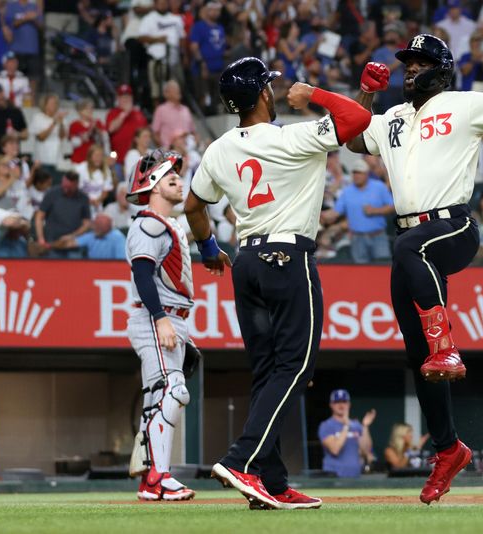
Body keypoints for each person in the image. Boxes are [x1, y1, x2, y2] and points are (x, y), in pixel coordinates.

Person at [345, 34, 483, 504]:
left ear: (441, 71)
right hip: (410, 235)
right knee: (417, 357)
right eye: (407, 62)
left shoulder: (465, 104)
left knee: (412, 260)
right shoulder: (394, 117)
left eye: (419, 63)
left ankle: (446, 347)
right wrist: (365, 92)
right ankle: (448, 448)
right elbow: (354, 138)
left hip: (452, 226)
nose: (409, 69)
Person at [184, 57, 371, 510]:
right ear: (264, 95)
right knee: (296, 367)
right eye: (269, 86)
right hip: (288, 257)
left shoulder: (219, 147)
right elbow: (357, 120)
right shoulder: (293, 137)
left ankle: (271, 483)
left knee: (269, 372)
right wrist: (318, 96)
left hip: (247, 262)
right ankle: (242, 459)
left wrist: (209, 250)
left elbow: (193, 206)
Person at [122, 151, 196, 501]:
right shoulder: (148, 222)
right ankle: (158, 476)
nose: (178, 181)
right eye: (170, 178)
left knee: (159, 396)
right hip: (158, 315)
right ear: (151, 184)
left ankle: (151, 478)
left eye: (178, 177)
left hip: (171, 317)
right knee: (173, 391)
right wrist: (160, 318)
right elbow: (142, 274)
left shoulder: (167, 224)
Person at [320, 159, 395, 263]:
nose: (356, 176)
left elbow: (392, 206)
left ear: (366, 174)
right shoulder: (347, 192)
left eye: (359, 173)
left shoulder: (379, 187)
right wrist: (320, 215)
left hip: (378, 236)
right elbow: (335, 213)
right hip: (357, 238)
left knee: (383, 268)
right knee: (360, 272)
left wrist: (376, 210)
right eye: (354, 173)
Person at [318, 389, 376, 478]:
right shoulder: (326, 425)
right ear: (331, 405)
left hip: (355, 475)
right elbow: (335, 449)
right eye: (337, 402)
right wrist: (346, 426)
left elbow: (366, 450)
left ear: (349, 404)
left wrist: (365, 426)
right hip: (333, 475)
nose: (341, 405)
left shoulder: (356, 425)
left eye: (344, 402)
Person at [33, 172, 92, 258]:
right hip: (52, 242)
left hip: (73, 243)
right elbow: (39, 216)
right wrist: (41, 238)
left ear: (76, 184)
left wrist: (73, 235)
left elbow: (87, 223)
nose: (66, 189)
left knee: (74, 268)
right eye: (64, 186)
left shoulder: (83, 198)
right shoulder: (52, 194)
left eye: (69, 188)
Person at [139, 0, 185, 104]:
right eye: (160, 2)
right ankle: (159, 113)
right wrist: (157, 39)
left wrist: (184, 56)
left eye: (165, 2)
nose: (163, 5)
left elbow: (182, 38)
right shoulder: (149, 18)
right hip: (157, 59)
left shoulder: (176, 18)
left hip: (174, 59)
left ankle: (174, 111)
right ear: (155, 4)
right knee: (157, 91)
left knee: (178, 86)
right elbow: (141, 38)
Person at [189, 2, 226, 115]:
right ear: (207, 10)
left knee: (217, 96)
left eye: (217, 10)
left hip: (218, 67)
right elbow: (194, 47)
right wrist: (202, 63)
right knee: (203, 96)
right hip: (203, 68)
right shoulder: (199, 26)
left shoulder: (220, 27)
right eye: (212, 10)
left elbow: (222, 47)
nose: (215, 13)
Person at [107, 84, 149, 174]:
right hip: (118, 161)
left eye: (128, 96)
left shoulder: (139, 115)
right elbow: (111, 129)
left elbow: (146, 135)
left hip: (137, 160)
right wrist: (125, 113)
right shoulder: (113, 113)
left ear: (132, 98)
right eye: (123, 97)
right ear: (118, 98)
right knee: (119, 186)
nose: (125, 99)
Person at [4, 0, 43, 92]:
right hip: (16, 50)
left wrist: (34, 19)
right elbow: (11, 24)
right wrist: (26, 18)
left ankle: (32, 103)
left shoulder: (34, 6)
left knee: (33, 79)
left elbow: (41, 26)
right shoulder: (11, 6)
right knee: (15, 79)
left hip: (32, 49)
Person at [53, 212, 126, 259]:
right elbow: (69, 244)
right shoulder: (92, 235)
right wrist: (51, 245)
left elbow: (121, 260)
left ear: (107, 227)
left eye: (98, 226)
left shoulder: (118, 237)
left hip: (112, 270)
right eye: (95, 225)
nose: (95, 227)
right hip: (92, 268)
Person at [29, 93, 66, 179]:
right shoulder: (38, 117)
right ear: (45, 105)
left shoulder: (60, 118)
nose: (54, 106)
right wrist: (54, 123)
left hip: (57, 159)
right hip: (42, 159)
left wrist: (61, 124)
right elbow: (41, 138)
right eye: (52, 103)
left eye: (56, 104)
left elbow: (62, 137)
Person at [151, 80, 194, 149]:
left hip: (188, 151)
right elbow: (155, 134)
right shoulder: (161, 110)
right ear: (166, 94)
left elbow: (193, 132)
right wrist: (164, 149)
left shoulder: (186, 109)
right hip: (169, 152)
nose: (178, 91)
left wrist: (197, 142)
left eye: (178, 89)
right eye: (174, 89)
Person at [68, 98, 108, 165]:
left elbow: (105, 139)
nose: (90, 111)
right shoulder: (74, 125)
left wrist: (97, 129)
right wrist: (90, 130)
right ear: (80, 111)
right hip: (79, 160)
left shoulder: (97, 123)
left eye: (91, 108)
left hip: (94, 161)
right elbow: (75, 143)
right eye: (86, 109)